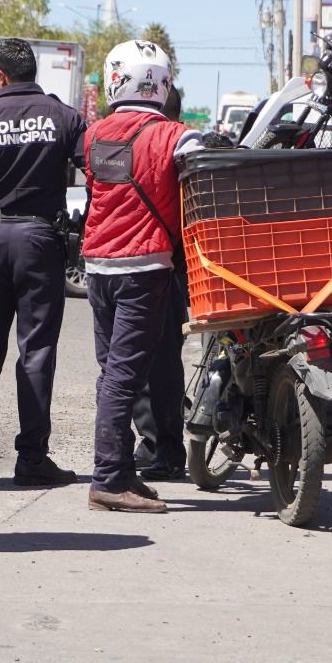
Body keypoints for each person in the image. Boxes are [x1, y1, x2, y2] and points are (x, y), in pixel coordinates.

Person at [0, 39, 85, 489]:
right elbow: (96, 170)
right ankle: (32, 458)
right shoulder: (64, 117)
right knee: (36, 352)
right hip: (38, 240)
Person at [82, 40, 202, 514]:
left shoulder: (93, 135)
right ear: (162, 82)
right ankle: (109, 478)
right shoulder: (176, 136)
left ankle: (122, 470)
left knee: (111, 370)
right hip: (145, 266)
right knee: (125, 373)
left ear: (115, 79)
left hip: (97, 265)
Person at [130, 85, 189, 481]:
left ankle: (160, 445)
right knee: (162, 359)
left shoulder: (149, 142)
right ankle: (158, 444)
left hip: (145, 261)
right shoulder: (187, 144)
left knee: (143, 361)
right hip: (173, 264)